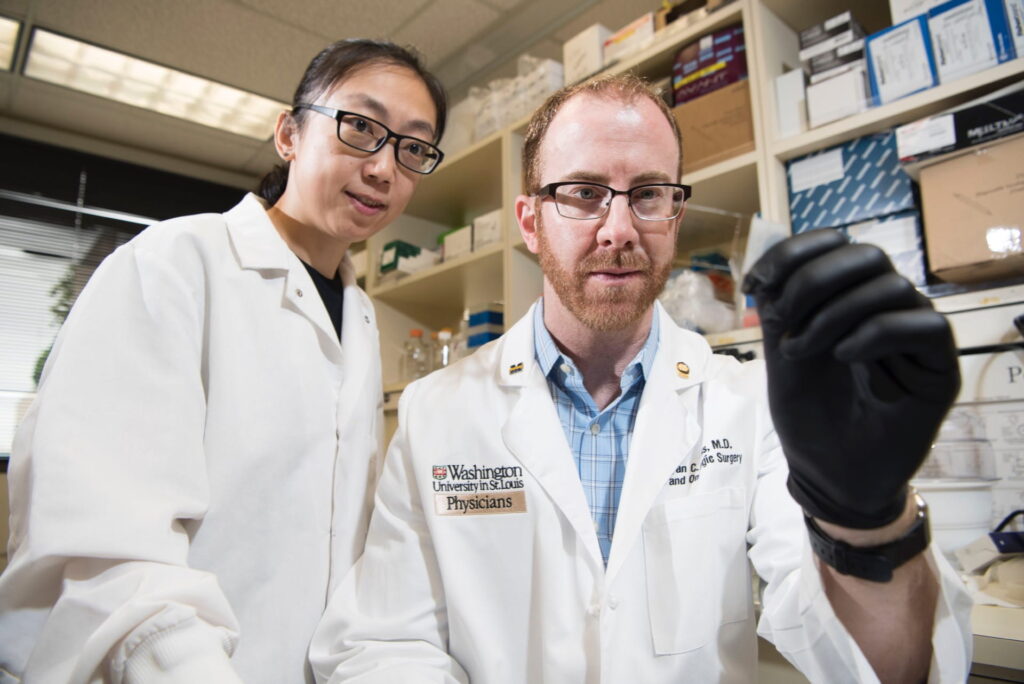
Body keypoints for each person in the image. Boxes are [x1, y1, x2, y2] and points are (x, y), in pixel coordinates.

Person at [309, 72, 973, 683]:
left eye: (649, 195)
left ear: (675, 215)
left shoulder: (750, 404)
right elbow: (385, 644)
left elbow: (879, 665)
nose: (619, 229)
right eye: (584, 194)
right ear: (531, 222)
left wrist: (866, 519)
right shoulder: (436, 413)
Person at [0, 39, 446, 683]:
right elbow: (108, 543)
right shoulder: (174, 264)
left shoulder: (362, 317)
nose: (384, 167)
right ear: (289, 134)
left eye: (412, 147)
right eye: (360, 127)